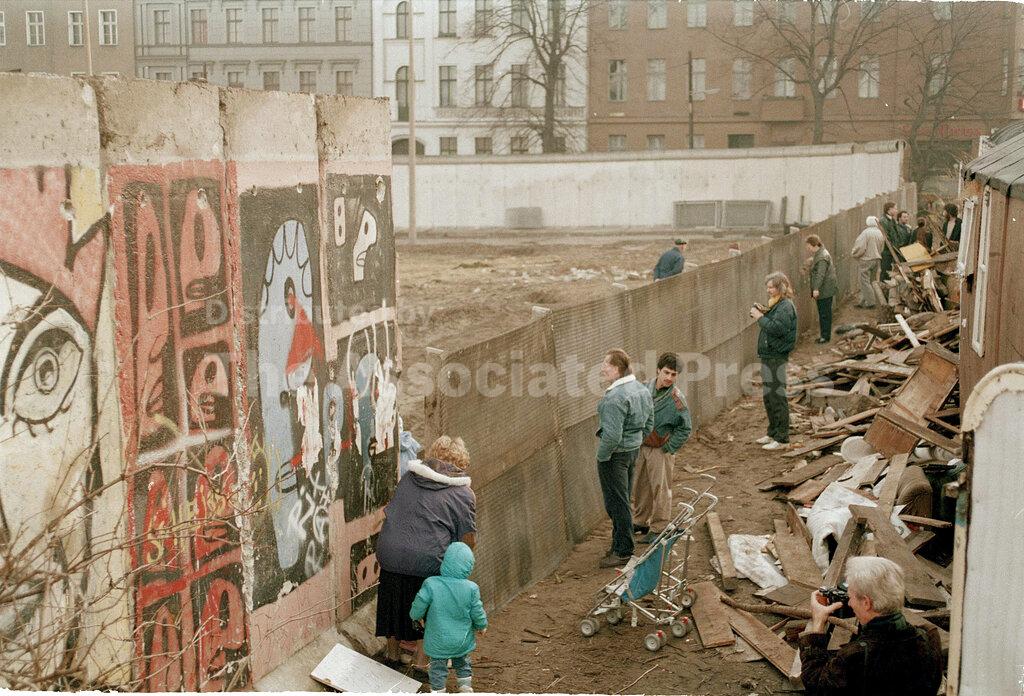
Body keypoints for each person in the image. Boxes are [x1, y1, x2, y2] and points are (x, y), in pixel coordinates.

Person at [376, 436, 477, 672]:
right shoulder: (464, 493)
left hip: (390, 554)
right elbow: (468, 540)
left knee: (394, 598)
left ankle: (393, 655)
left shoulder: (408, 478)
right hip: (427, 561)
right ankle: (422, 663)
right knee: (433, 604)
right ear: (462, 464)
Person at [800, 556, 943, 696]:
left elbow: (815, 683)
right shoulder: (929, 638)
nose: (849, 603)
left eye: (850, 597)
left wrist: (818, 622)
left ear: (866, 603)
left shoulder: (855, 657)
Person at [596, 349, 654, 567]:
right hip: (632, 451)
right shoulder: (641, 389)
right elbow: (650, 421)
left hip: (615, 455)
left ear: (617, 368)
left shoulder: (615, 397)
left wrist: (602, 456)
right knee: (623, 499)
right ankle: (619, 544)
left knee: (616, 503)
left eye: (606, 365)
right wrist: (636, 441)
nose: (603, 368)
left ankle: (623, 550)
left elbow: (612, 435)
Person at [410, 542, 488, 694]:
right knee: (463, 662)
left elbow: (420, 602)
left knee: (437, 666)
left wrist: (415, 616)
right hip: (461, 639)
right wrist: (482, 625)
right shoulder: (471, 588)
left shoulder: (431, 583)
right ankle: (465, 687)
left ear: (445, 562)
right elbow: (477, 611)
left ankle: (438, 690)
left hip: (438, 639)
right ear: (468, 566)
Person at [631, 353, 692, 544]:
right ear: (658, 370)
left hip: (660, 448)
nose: (669, 378)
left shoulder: (676, 399)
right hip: (642, 445)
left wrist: (669, 447)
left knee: (661, 488)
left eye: (674, 374)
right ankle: (640, 521)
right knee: (641, 485)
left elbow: (685, 428)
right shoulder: (643, 389)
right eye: (666, 372)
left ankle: (659, 527)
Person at [751, 272, 797, 451]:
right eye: (768, 287)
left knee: (777, 396)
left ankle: (782, 438)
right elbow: (775, 323)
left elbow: (778, 328)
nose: (768, 290)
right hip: (769, 354)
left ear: (781, 287)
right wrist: (764, 312)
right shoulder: (777, 304)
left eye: (771, 287)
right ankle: (772, 433)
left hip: (777, 355)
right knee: (769, 396)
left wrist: (760, 317)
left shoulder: (786, 306)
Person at [806, 235, 838, 344]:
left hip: (825, 290)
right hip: (827, 288)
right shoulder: (822, 253)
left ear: (814, 245)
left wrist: (816, 288)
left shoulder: (821, 257)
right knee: (825, 313)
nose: (808, 249)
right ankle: (825, 335)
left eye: (809, 246)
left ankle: (825, 337)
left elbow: (820, 274)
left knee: (824, 313)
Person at [851, 216, 885, 309]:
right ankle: (862, 301)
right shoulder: (879, 233)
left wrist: (854, 254)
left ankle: (871, 302)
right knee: (870, 281)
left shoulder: (865, 233)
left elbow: (860, 247)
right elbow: (882, 247)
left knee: (864, 282)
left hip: (866, 259)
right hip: (877, 259)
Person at [879, 202, 901, 281]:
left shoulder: (892, 220)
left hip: (893, 249)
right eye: (895, 208)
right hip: (887, 250)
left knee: (891, 273)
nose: (896, 211)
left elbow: (896, 235)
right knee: (885, 271)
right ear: (889, 209)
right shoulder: (883, 221)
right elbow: (886, 237)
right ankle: (883, 288)